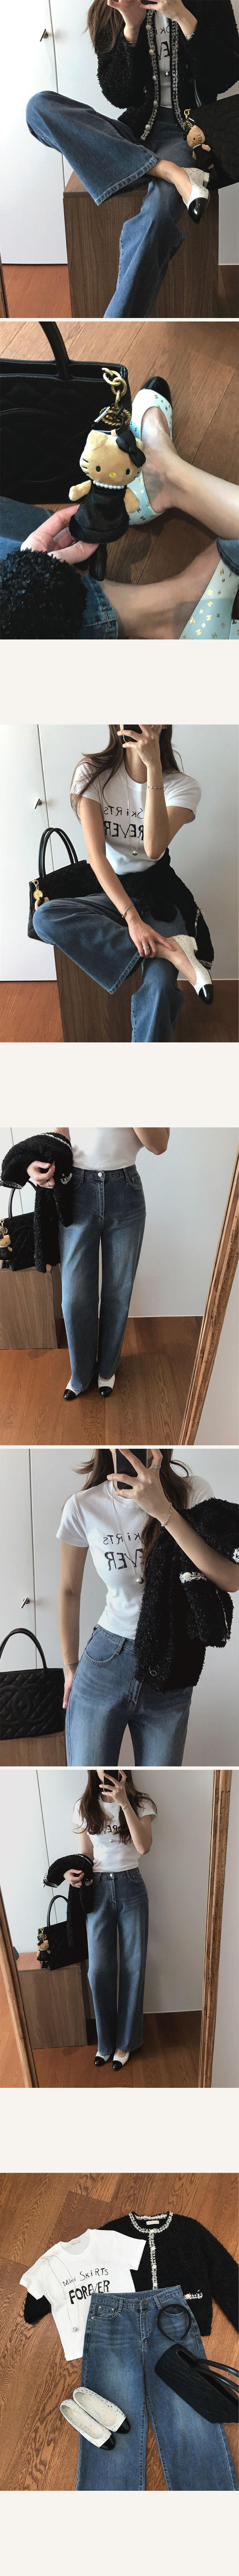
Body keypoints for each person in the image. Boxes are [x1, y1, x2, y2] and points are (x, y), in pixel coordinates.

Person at [26, 2, 239, 318]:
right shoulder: (112, 7)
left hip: (185, 135)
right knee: (39, 107)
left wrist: (182, 15)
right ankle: (169, 172)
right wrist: (132, 27)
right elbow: (119, 96)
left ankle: (113, 332)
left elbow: (224, 78)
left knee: (157, 217)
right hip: (134, 131)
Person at [32, 722, 214, 1042]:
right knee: (45, 917)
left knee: (160, 988)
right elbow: (97, 857)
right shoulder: (91, 774)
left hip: (159, 893)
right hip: (111, 890)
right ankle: (172, 952)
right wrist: (132, 920)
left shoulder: (183, 787)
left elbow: (153, 849)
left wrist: (154, 768)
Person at [57, 1446, 239, 1765]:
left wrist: (164, 1511)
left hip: (173, 1666)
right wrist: (70, 1665)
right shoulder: (84, 1506)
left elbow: (231, 1578)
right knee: (90, 1773)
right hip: (106, 1662)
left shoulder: (193, 1493)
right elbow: (69, 1590)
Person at [26, 1126, 168, 1398]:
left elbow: (159, 1145)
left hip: (125, 1189)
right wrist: (41, 1164)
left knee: (118, 1292)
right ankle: (81, 1373)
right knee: (75, 1298)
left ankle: (107, 1369)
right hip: (76, 1188)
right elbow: (62, 1131)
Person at [64, 1766, 156, 2069]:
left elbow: (144, 1847)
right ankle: (105, 2043)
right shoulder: (84, 1806)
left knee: (134, 1966)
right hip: (98, 1888)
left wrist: (124, 1802)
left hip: (132, 1885)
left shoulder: (141, 1802)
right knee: (99, 1970)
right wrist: (71, 1874)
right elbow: (87, 1856)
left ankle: (126, 2042)